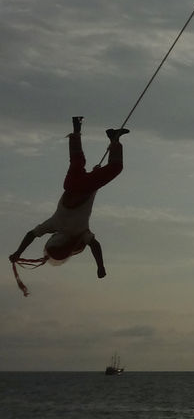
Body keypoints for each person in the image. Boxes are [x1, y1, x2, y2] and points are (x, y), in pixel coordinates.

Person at [9, 117, 128, 291]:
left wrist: (100, 266)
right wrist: (18, 253)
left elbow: (95, 246)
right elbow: (31, 234)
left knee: (115, 167)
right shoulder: (54, 223)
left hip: (86, 186)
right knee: (76, 161)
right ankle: (76, 130)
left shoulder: (80, 232)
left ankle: (114, 139)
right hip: (71, 184)